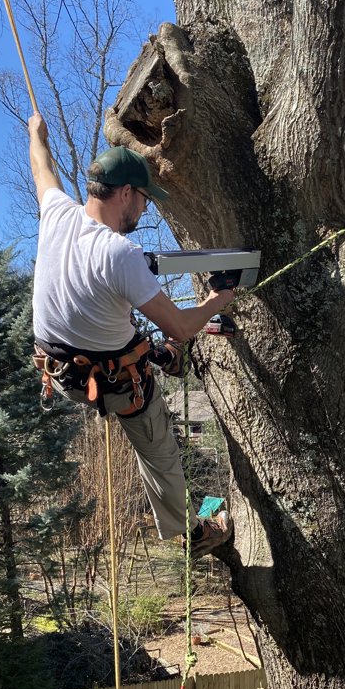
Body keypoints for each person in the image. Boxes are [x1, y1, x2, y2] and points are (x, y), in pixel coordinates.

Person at [28, 112, 234, 558]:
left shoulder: (56, 214)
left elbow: (42, 166)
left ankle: (162, 356)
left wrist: (36, 133)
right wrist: (218, 298)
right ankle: (193, 534)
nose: (145, 209)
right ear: (125, 193)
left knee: (141, 341)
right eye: (143, 200)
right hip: (115, 383)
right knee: (158, 448)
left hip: (61, 375)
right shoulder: (119, 254)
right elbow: (180, 325)